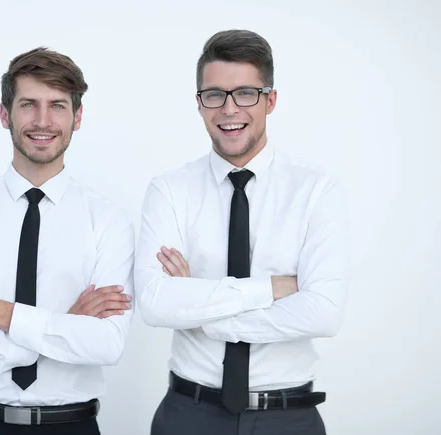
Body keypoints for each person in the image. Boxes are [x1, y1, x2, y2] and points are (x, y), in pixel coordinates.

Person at [135, 29, 351, 435]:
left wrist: (202, 314)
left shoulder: (316, 190)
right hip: (188, 414)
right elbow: (156, 304)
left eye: (245, 93)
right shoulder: (169, 190)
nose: (229, 109)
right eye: (214, 94)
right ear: (199, 104)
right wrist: (271, 288)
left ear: (270, 100)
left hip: (289, 417)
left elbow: (323, 312)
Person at [0, 47, 135, 435]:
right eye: (28, 105)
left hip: (71, 425)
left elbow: (106, 345)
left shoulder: (108, 221)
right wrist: (64, 328)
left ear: (78, 117)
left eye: (57, 105)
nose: (42, 121)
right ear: (5, 114)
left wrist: (3, 316)